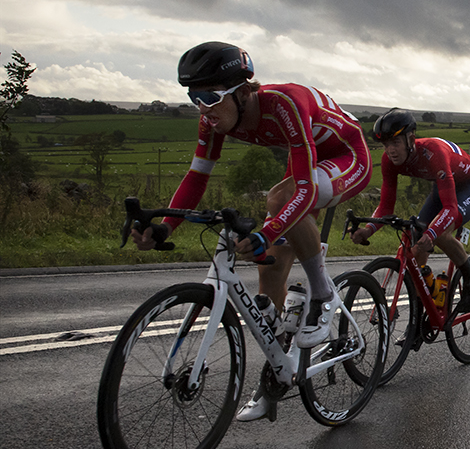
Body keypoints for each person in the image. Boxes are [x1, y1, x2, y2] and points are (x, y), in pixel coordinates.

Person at [132, 41, 372, 422]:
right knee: (269, 268)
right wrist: (164, 227)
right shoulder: (212, 119)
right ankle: (275, 375)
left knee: (280, 199)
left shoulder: (284, 104)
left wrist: (268, 229)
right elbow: (196, 177)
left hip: (347, 158)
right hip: (307, 164)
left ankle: (323, 295)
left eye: (210, 96)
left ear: (244, 92)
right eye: (194, 97)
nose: (203, 108)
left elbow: (304, 189)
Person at [350, 109, 470, 309]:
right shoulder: (389, 160)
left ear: (411, 139)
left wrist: (432, 231)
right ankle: (421, 313)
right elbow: (386, 206)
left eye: (395, 142)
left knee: (439, 234)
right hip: (443, 186)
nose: (391, 150)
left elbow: (450, 208)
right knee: (415, 248)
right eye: (386, 144)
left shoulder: (433, 153)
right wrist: (368, 229)